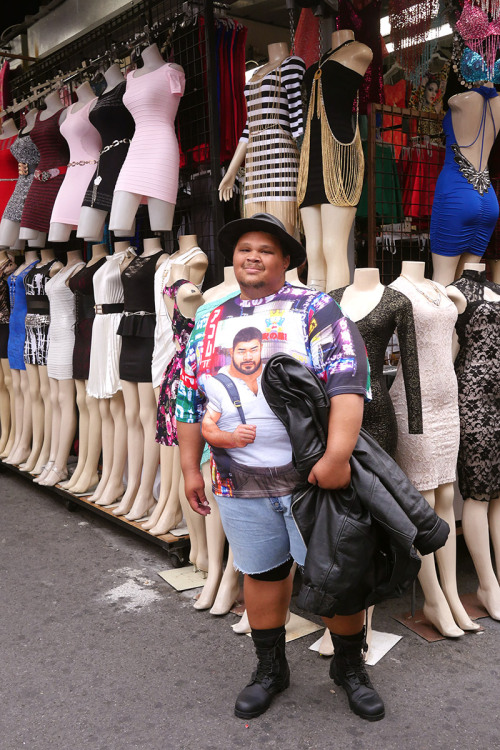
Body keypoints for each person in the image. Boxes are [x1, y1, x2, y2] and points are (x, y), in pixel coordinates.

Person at [176, 213, 385, 722]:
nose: (253, 256)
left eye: (266, 250)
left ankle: (349, 668)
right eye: (245, 248)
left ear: (286, 260)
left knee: (336, 578)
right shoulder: (209, 317)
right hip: (237, 479)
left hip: (311, 482)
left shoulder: (316, 308)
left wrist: (336, 457)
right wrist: (189, 468)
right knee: (261, 573)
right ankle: (271, 669)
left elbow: (348, 382)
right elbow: (186, 397)